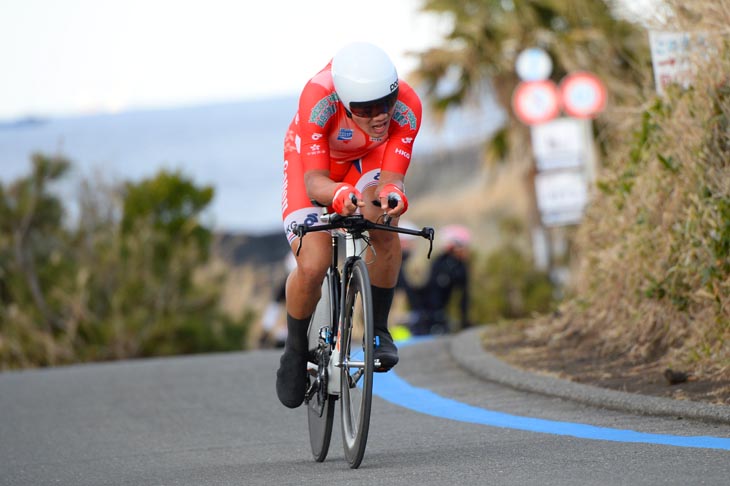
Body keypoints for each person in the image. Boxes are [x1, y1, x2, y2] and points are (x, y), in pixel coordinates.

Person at [276, 42, 423, 408]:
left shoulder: (408, 107)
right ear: (343, 102)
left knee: (384, 220)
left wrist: (394, 194)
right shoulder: (318, 97)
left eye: (385, 104)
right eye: (364, 108)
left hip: (367, 160)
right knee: (313, 262)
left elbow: (392, 179)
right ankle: (294, 350)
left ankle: (378, 332)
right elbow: (314, 184)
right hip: (314, 165)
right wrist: (338, 194)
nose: (379, 117)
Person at [411, 224, 472, 335]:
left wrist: (464, 320)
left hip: (439, 312)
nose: (465, 251)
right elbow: (431, 289)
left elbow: (464, 295)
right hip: (426, 312)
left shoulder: (460, 266)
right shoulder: (441, 263)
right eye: (462, 246)